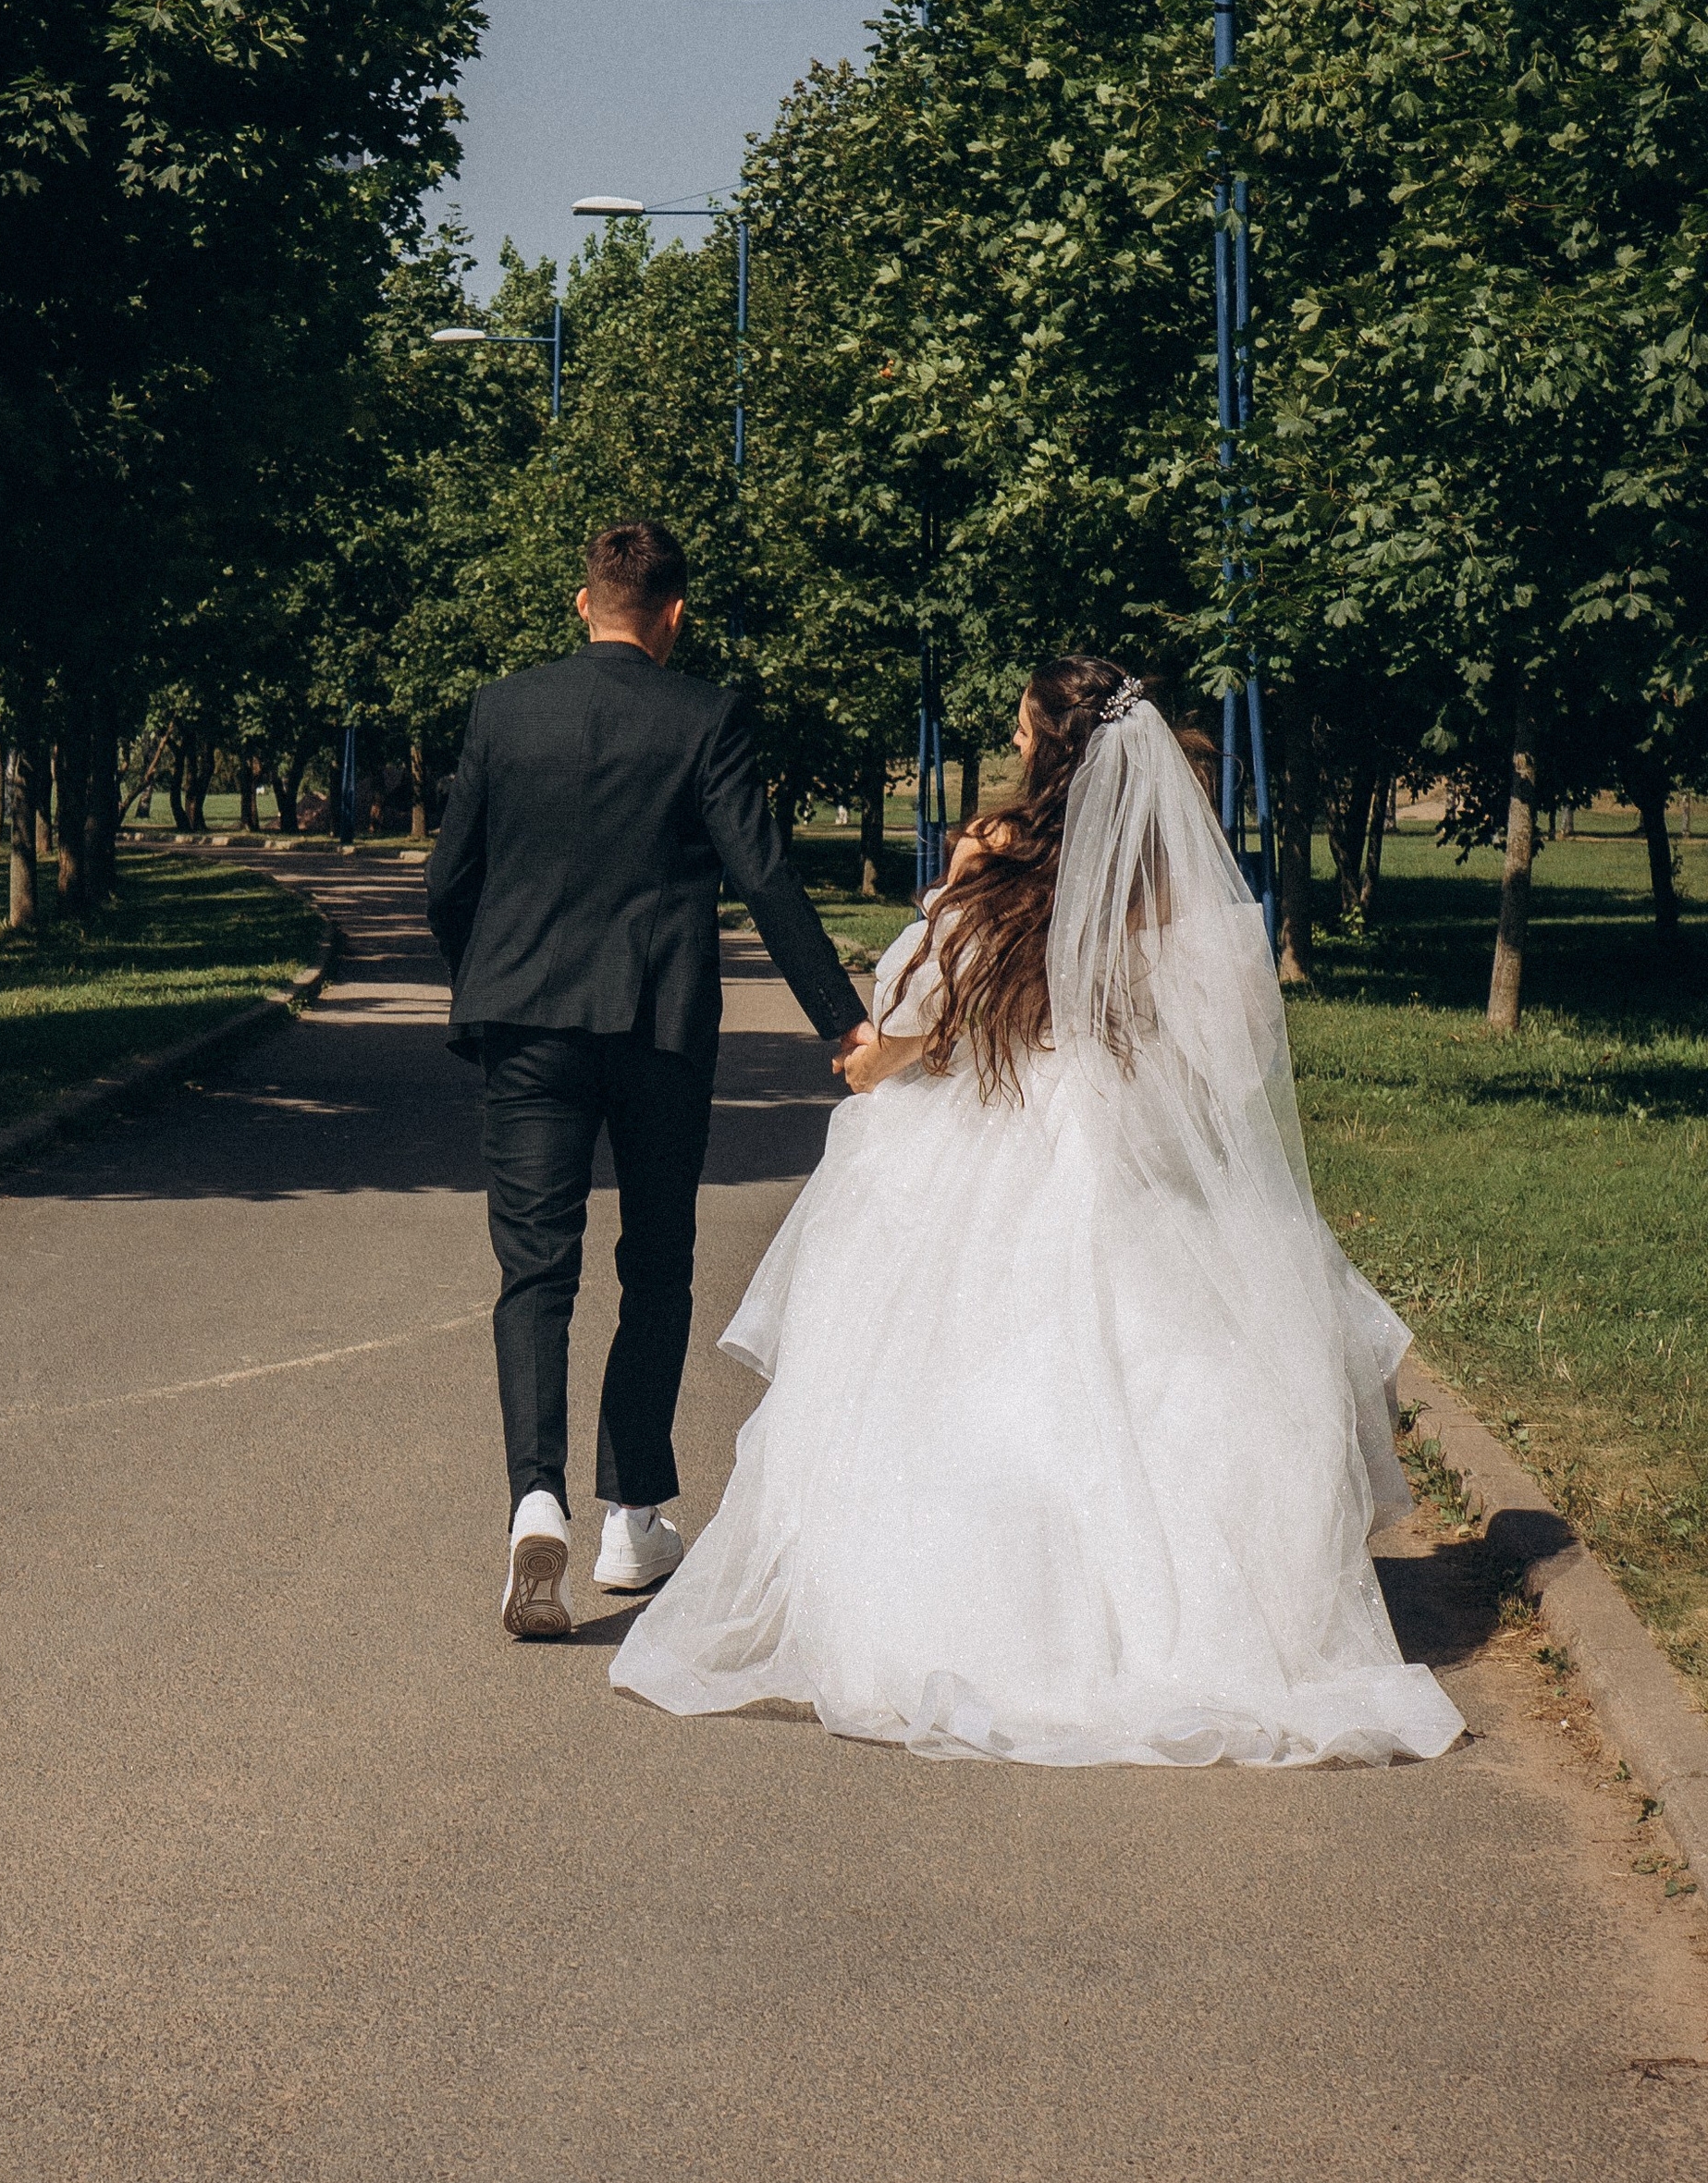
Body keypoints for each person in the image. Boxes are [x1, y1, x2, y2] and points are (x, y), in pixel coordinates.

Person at [611, 655, 1464, 1768]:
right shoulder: (1179, 884)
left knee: (968, 1373)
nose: (1012, 742)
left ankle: (964, 1612)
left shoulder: (988, 855)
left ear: (1046, 746)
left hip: (993, 1127)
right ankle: (1174, 1617)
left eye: (1019, 728)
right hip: (1128, 1150)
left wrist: (883, 1058)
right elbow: (1234, 1064)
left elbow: (921, 1006)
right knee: (1152, 1371)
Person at [426, 521, 874, 1638]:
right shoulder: (704, 717)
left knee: (534, 1273)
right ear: (675, 614)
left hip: (523, 1022)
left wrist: (487, 979)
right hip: (657, 1030)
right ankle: (631, 1514)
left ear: (584, 604)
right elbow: (763, 876)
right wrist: (843, 1024)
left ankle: (537, 1501)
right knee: (655, 1265)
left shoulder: (501, 710)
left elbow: (450, 878)